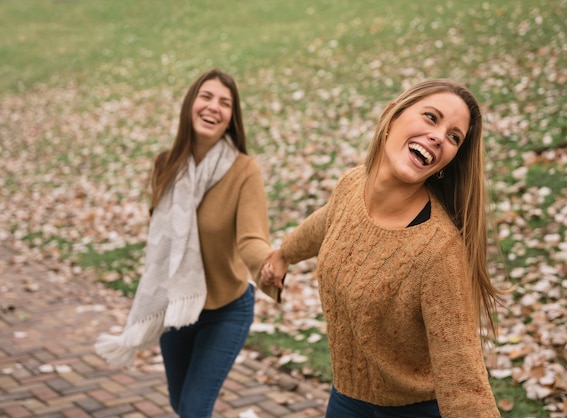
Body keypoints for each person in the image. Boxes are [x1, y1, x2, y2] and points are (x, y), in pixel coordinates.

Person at [262, 79, 505, 417]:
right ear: (392, 116)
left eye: (453, 137)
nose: (438, 137)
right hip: (345, 399)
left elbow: (463, 380)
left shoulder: (438, 252)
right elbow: (325, 222)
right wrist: (283, 255)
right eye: (431, 118)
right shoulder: (352, 185)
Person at [95, 68, 280, 417]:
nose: (214, 107)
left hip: (226, 309)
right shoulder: (166, 165)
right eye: (206, 97)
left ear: (231, 119)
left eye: (225, 103)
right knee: (181, 405)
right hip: (176, 306)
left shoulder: (243, 170)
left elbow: (251, 238)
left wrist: (266, 264)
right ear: (190, 105)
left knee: (194, 409)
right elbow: (163, 239)